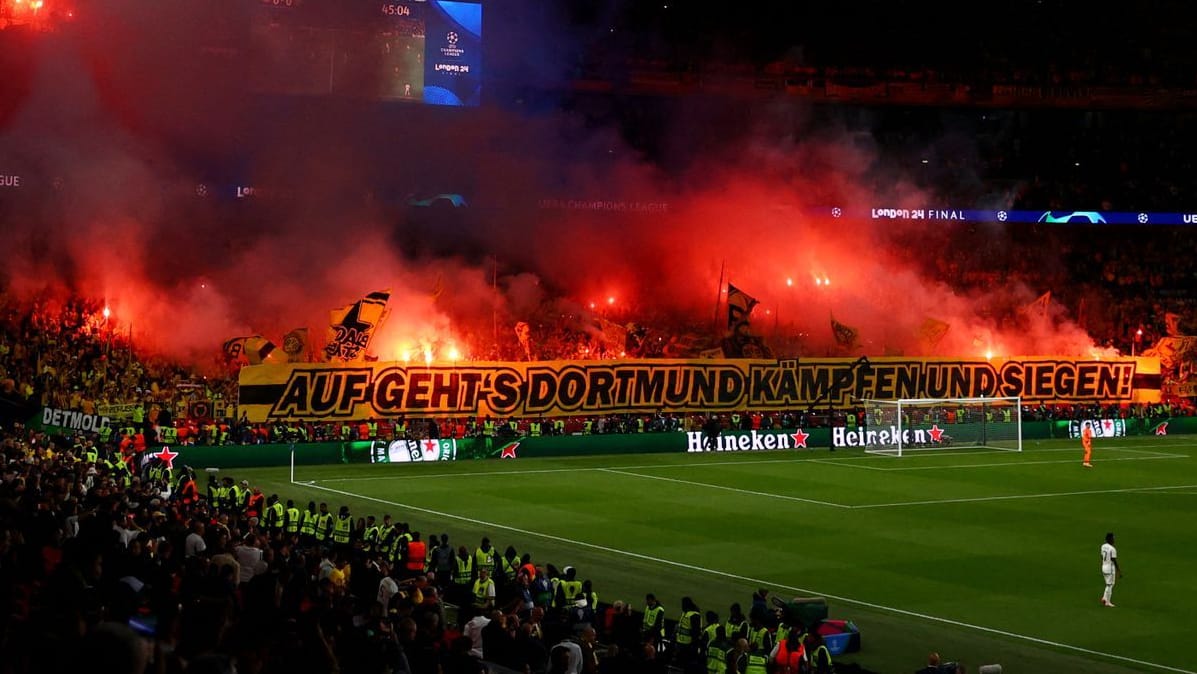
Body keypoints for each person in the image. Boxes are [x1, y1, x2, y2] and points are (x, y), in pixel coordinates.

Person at [1101, 531, 1123, 607]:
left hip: (1103, 566)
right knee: (1110, 585)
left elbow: (1102, 556)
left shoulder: (1103, 546)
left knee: (1108, 584)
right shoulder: (1112, 549)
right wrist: (1118, 570)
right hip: (1110, 569)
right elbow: (1114, 560)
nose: (1114, 540)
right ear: (1110, 539)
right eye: (1113, 538)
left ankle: (1104, 598)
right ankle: (1107, 602)